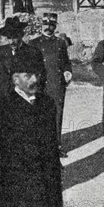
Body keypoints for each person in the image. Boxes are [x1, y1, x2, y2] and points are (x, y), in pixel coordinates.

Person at [0, 56, 64, 207]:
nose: (34, 80)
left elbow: (50, 140)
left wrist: (53, 164)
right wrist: (10, 168)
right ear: (15, 79)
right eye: (28, 75)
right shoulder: (1, 109)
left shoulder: (47, 104)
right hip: (17, 185)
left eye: (37, 74)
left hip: (47, 180)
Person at [31, 13, 72, 158]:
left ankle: (56, 146)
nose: (48, 27)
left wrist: (68, 71)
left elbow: (66, 62)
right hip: (39, 86)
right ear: (41, 25)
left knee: (56, 114)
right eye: (46, 24)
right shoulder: (33, 43)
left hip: (56, 84)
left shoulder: (60, 43)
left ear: (55, 26)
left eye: (52, 25)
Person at [0, 17, 46, 103]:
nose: (12, 41)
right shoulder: (0, 52)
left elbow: (40, 78)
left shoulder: (33, 53)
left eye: (15, 37)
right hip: (3, 99)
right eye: (9, 38)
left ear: (21, 35)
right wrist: (0, 92)